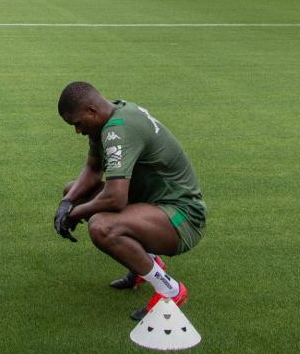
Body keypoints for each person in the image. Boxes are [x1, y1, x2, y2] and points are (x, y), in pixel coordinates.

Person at [53, 81, 206, 320]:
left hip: (181, 216)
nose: (78, 131)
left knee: (102, 226)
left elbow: (115, 198)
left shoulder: (118, 129)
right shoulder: (107, 116)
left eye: (78, 124)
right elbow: (93, 170)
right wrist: (67, 204)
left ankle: (170, 290)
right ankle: (143, 266)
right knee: (73, 191)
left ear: (91, 111)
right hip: (152, 206)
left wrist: (75, 214)